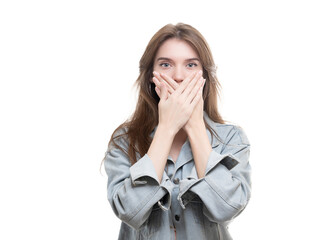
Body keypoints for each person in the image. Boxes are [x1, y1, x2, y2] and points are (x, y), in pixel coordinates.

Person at [102, 23, 251, 240]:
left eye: (191, 65)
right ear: (151, 77)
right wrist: (167, 128)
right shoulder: (124, 142)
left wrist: (195, 126)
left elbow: (227, 208)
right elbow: (129, 211)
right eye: (166, 64)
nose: (179, 76)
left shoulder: (231, 139)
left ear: (205, 76)